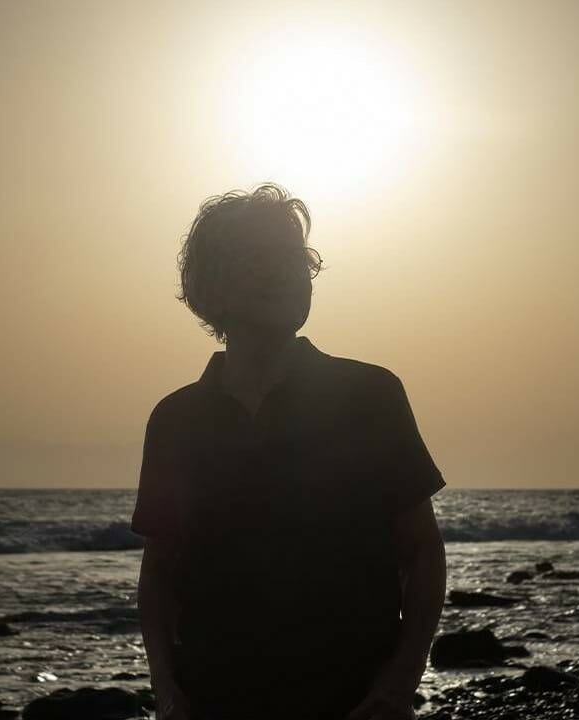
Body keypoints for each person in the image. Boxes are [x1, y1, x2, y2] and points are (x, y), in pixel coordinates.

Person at [131, 183, 447, 720]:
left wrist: (400, 683)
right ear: (215, 286)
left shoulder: (368, 395)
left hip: (354, 702)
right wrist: (166, 691)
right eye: (261, 259)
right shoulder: (176, 420)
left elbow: (421, 550)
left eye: (294, 260)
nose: (286, 273)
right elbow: (160, 572)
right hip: (218, 701)